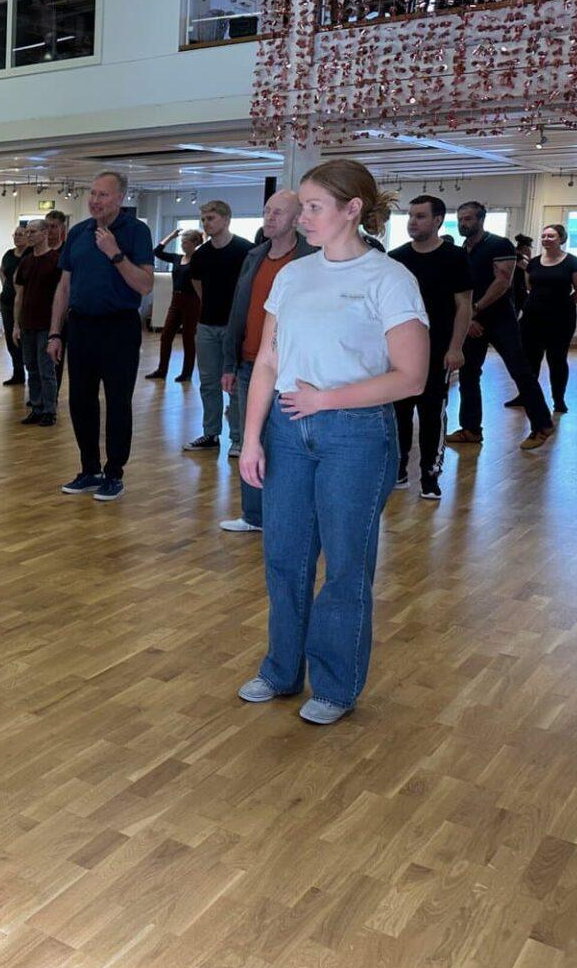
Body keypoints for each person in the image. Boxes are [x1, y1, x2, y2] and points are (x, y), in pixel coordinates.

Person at [237, 159, 428, 726]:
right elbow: (267, 361)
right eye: (302, 207)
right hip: (287, 430)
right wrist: (251, 438)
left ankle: (336, 686)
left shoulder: (389, 279)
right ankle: (281, 671)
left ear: (352, 210)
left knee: (345, 565)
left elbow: (411, 377)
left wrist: (327, 400)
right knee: (284, 557)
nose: (303, 217)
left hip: (356, 436)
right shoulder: (294, 275)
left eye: (314, 207)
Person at [47, 172, 155, 502]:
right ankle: (90, 469)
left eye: (103, 195)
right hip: (81, 326)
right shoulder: (78, 232)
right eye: (92, 193)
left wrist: (115, 253)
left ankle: (114, 473)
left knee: (118, 401)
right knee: (80, 400)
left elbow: (145, 285)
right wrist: (55, 332)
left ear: (120, 198)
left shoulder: (136, 232)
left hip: (119, 326)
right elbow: (64, 287)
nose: (95, 200)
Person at [219, 190, 312, 532]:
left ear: (297, 218)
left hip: (291, 369)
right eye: (267, 211)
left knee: (287, 443)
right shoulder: (254, 256)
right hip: (250, 363)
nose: (270, 217)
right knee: (251, 437)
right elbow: (239, 310)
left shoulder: (310, 258)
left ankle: (287, 516)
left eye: (278, 212)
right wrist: (229, 362)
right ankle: (253, 515)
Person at [447, 201, 553, 450]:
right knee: (468, 374)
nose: (463, 223)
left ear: (481, 220)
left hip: (500, 319)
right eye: (460, 219)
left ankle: (542, 425)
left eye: (468, 219)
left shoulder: (499, 244)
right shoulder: (463, 250)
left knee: (520, 371)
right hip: (473, 320)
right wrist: (468, 319)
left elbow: (502, 282)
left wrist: (475, 309)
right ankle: (471, 429)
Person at [389, 196, 472, 501]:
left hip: (437, 349)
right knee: (399, 412)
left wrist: (456, 347)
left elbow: (464, 305)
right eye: (411, 216)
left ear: (437, 220)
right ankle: (398, 469)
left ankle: (429, 475)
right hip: (401, 350)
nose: (413, 222)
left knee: (431, 413)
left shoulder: (454, 257)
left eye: (420, 216)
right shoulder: (396, 258)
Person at [186, 201, 254, 455]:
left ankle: (237, 438)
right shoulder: (201, 255)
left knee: (235, 384)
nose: (206, 223)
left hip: (235, 328)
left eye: (211, 218)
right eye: (203, 219)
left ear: (226, 220)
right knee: (208, 382)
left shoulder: (245, 250)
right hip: (207, 325)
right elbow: (198, 285)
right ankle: (211, 433)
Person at [521, 222, 577, 416]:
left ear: (561, 239)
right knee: (531, 359)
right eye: (544, 236)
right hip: (533, 317)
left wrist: (563, 306)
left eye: (551, 236)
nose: (546, 239)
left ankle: (558, 400)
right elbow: (530, 287)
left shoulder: (573, 262)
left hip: (560, 319)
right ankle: (529, 397)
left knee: (556, 360)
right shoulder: (534, 262)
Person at [12, 216, 62, 426]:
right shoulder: (26, 261)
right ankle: (37, 406)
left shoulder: (56, 260)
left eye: (33, 232)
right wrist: (16, 324)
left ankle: (49, 410)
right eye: (27, 232)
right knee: (31, 367)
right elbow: (20, 295)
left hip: (46, 324)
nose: (29, 235)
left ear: (45, 233)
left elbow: (62, 294)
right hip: (27, 323)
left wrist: (56, 329)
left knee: (46, 369)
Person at [147, 228, 203, 382]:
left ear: (194, 243)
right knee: (166, 336)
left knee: (188, 338)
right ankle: (162, 370)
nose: (183, 245)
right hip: (176, 301)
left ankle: (187, 373)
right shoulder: (177, 258)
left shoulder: (199, 260)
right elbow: (157, 251)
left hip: (191, 302)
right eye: (182, 242)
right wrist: (171, 236)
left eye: (186, 242)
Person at [0, 224, 28, 387]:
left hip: (24, 303)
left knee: (24, 338)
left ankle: (30, 371)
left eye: (20, 234)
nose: (17, 237)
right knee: (11, 338)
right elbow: (2, 270)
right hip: (7, 301)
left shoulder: (30, 254)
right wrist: (6, 284)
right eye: (15, 234)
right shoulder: (9, 254)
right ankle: (18, 373)